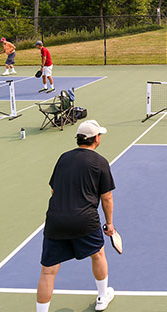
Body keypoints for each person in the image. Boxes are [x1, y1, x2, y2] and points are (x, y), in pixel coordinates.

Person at [36, 120, 116, 312]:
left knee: (48, 272)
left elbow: (54, 191)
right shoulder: (100, 162)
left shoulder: (63, 158)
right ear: (96, 138)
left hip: (55, 220)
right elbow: (107, 198)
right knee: (98, 255)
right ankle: (102, 297)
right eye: (100, 135)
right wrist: (109, 223)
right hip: (85, 221)